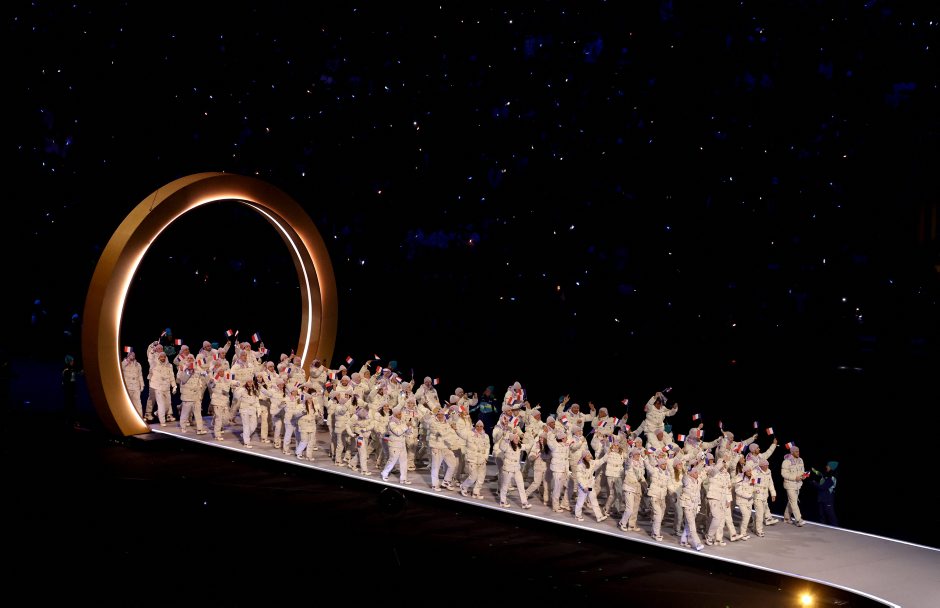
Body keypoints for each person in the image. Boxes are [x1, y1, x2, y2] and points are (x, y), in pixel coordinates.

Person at [780, 444, 808, 526]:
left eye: (798, 451)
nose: (798, 453)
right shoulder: (786, 461)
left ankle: (786, 518)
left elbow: (802, 470)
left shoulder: (800, 460)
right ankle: (799, 520)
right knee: (794, 502)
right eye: (796, 451)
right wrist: (795, 478)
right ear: (792, 452)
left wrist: (803, 475)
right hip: (790, 484)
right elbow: (784, 474)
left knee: (791, 501)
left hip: (798, 485)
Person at [811, 461, 839, 526]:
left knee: (831, 516)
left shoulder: (832, 478)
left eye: (828, 466)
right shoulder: (827, 475)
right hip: (821, 498)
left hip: (827, 499)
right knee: (821, 515)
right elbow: (820, 474)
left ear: (831, 468)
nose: (826, 467)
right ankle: (822, 529)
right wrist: (814, 470)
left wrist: (814, 483)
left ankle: (836, 529)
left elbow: (823, 487)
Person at [121, 350, 145, 420]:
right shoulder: (124, 363)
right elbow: (120, 368)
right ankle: (126, 419)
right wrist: (126, 361)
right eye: (131, 355)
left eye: (133, 355)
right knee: (127, 403)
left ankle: (140, 418)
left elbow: (140, 375)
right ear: (128, 356)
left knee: (138, 403)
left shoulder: (138, 365)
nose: (132, 356)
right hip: (127, 386)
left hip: (136, 386)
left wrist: (142, 385)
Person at [62, 354, 82, 428]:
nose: (73, 362)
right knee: (70, 407)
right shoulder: (66, 371)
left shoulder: (72, 369)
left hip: (72, 392)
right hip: (69, 392)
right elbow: (66, 383)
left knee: (72, 406)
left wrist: (81, 372)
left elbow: (77, 373)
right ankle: (70, 421)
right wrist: (71, 392)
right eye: (72, 361)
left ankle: (72, 421)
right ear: (69, 361)